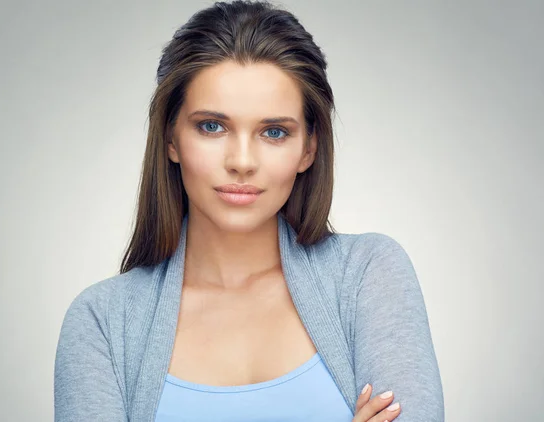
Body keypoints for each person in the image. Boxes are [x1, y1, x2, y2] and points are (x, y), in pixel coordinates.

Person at [53, 1, 445, 421]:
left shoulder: (369, 275)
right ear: (171, 138)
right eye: (212, 126)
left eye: (274, 132)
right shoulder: (101, 323)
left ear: (308, 148)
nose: (241, 160)